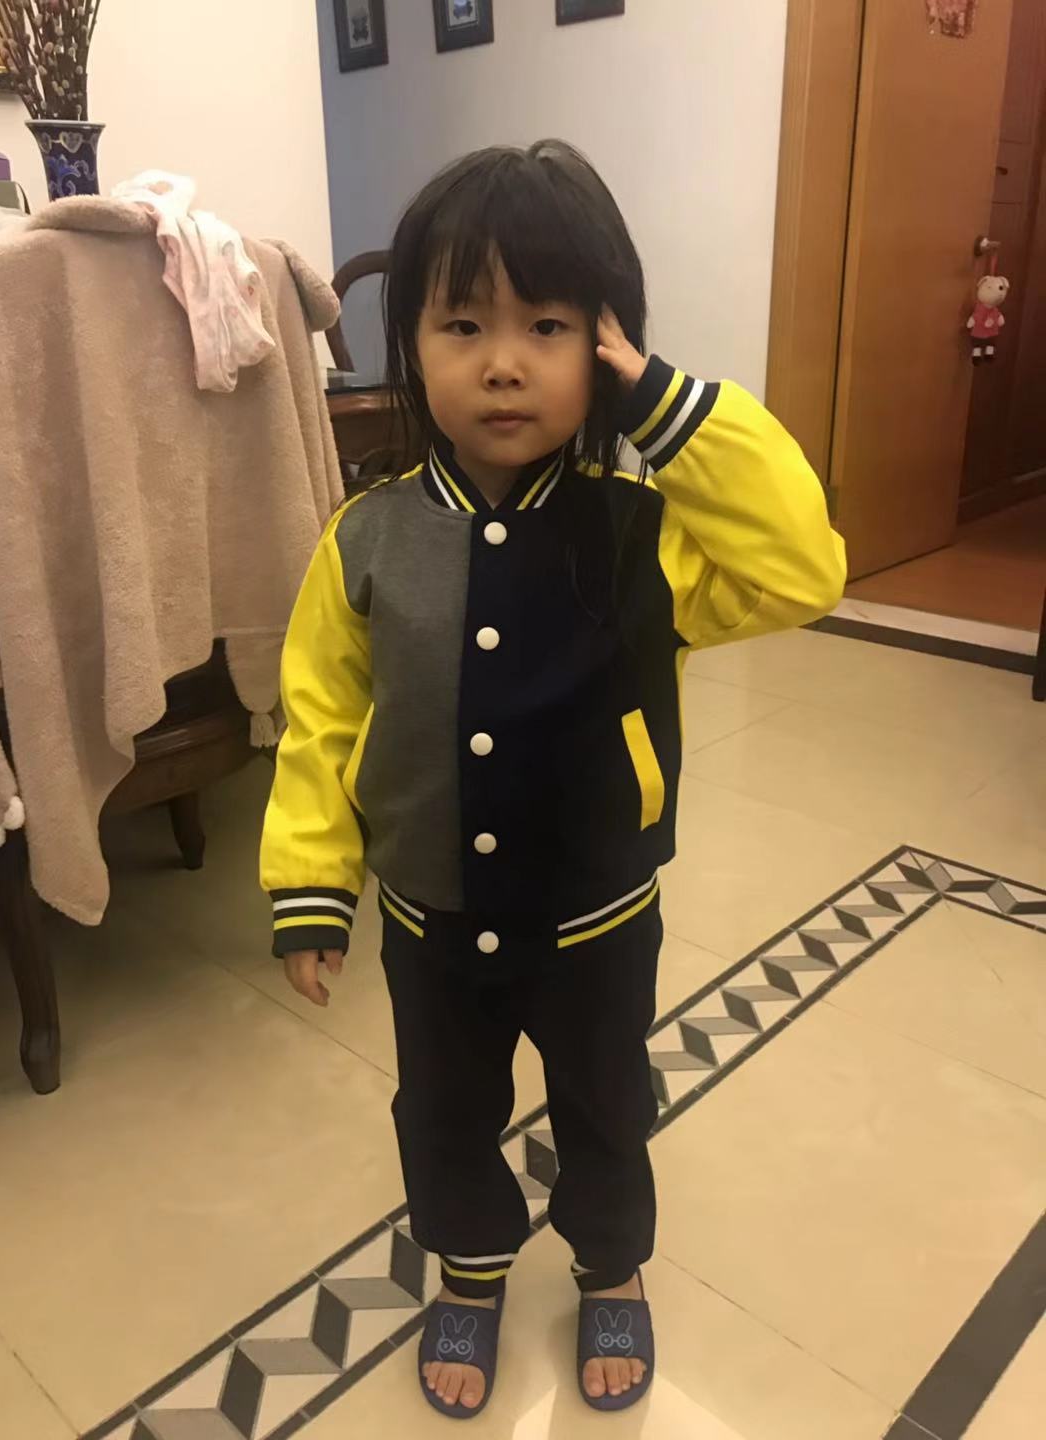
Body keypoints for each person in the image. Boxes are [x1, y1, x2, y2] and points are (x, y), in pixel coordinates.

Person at [260, 140, 846, 1418]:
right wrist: (311, 882)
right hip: (431, 921)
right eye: (463, 324)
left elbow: (805, 568)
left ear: (608, 345)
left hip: (597, 918)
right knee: (443, 1111)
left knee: (605, 1102)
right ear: (412, 345)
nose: (504, 362)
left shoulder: (643, 535)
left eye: (549, 326)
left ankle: (610, 1261)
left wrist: (673, 414)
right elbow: (320, 720)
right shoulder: (366, 537)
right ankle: (469, 1268)